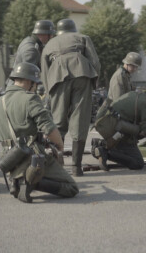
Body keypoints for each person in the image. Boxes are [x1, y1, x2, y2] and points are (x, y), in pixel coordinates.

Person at [0, 62, 78, 203]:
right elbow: (49, 128)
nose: (36, 86)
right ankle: (30, 182)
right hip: (30, 156)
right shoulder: (29, 98)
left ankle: (19, 179)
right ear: (28, 81)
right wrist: (60, 146)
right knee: (71, 188)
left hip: (8, 158)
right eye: (35, 83)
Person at [41, 18, 101, 177]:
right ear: (73, 29)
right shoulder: (83, 38)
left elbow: (44, 70)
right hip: (82, 73)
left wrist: (49, 92)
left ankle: (56, 164)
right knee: (80, 119)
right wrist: (93, 82)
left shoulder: (49, 44)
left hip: (57, 76)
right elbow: (95, 62)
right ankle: (76, 167)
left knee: (58, 121)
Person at [92, 83, 146, 172]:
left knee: (137, 142)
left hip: (107, 123)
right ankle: (104, 150)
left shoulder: (137, 95)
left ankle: (102, 144)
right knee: (137, 163)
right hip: (114, 129)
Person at [5, 20, 55, 87]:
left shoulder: (29, 41)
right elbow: (28, 76)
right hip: (20, 88)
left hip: (17, 87)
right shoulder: (31, 50)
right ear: (42, 34)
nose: (52, 37)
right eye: (50, 34)